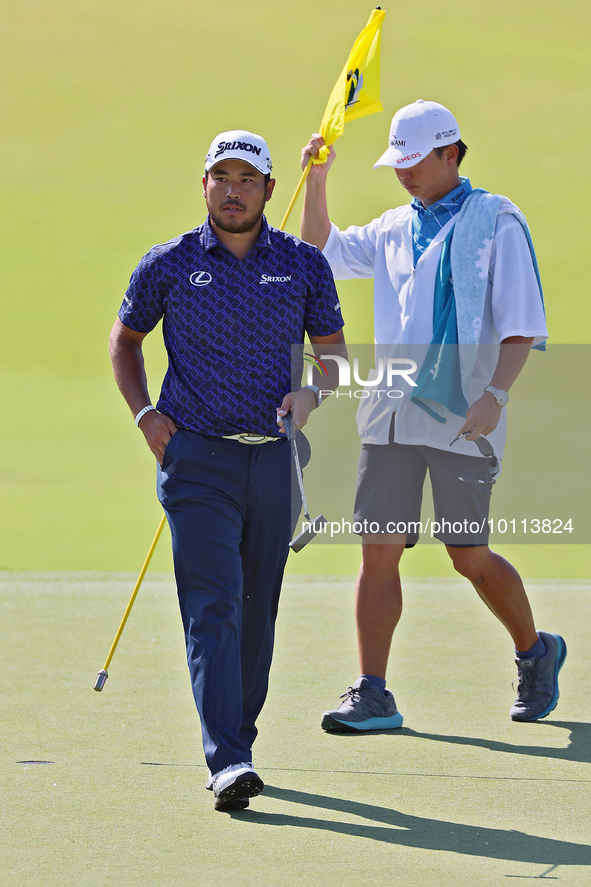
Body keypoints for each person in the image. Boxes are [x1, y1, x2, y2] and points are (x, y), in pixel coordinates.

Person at [300, 99, 566, 733]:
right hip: (390, 415)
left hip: (462, 417)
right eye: (399, 162)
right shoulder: (394, 225)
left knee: (466, 553)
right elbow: (320, 253)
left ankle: (536, 651)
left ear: (452, 154)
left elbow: (521, 328)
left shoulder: (498, 221)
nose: (404, 173)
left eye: (416, 162)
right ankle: (374, 693)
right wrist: (317, 179)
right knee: (378, 550)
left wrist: (493, 398)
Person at [109, 129, 345, 810]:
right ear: (203, 184)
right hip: (196, 461)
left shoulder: (302, 265)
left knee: (254, 609)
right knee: (212, 603)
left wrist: (313, 391)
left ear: (270, 189)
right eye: (222, 176)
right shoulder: (170, 264)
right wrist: (144, 413)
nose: (233, 189)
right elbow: (126, 340)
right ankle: (228, 757)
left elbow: (332, 353)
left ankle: (237, 737)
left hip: (273, 462)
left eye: (248, 178)